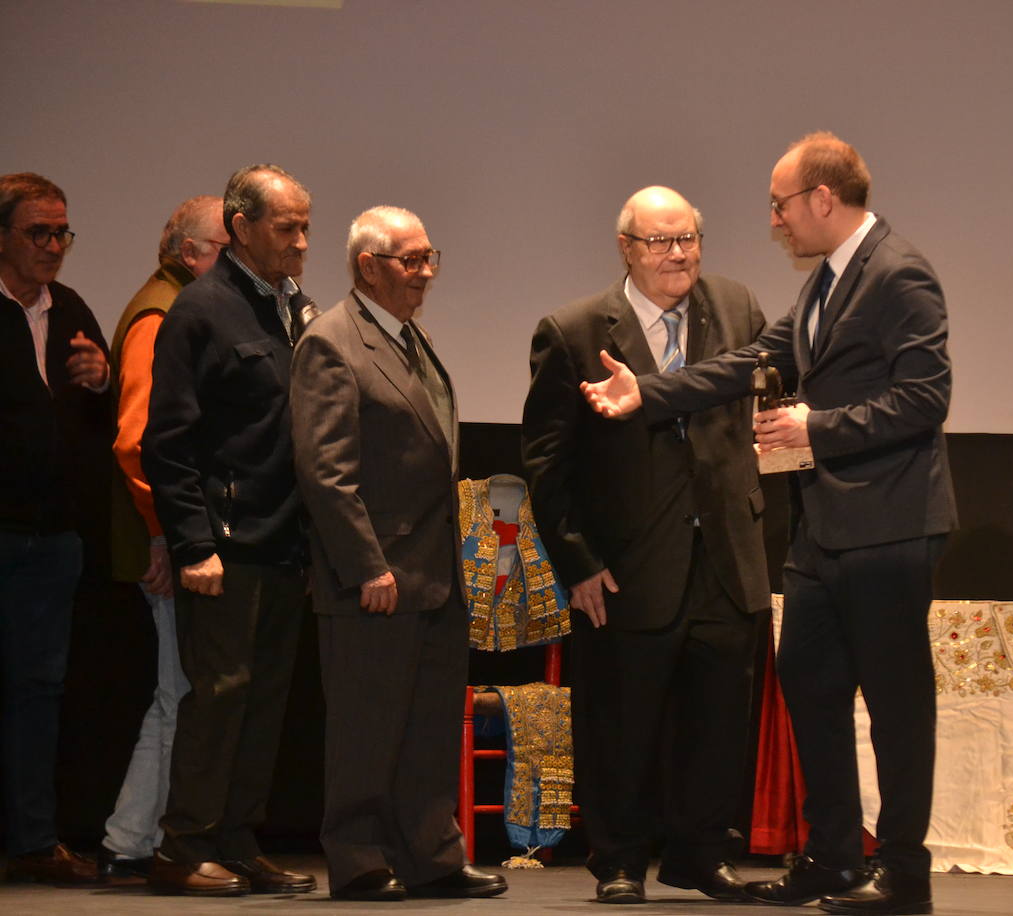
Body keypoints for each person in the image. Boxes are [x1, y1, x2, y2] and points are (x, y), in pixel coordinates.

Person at [582, 134, 956, 916]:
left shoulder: (898, 272)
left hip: (888, 528)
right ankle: (833, 859)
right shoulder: (828, 281)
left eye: (780, 205)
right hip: (823, 535)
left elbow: (925, 398)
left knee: (895, 702)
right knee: (812, 689)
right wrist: (648, 393)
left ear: (823, 198)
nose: (774, 221)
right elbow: (749, 361)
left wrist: (819, 429)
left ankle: (906, 873)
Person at [523, 186, 770, 904]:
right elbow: (547, 463)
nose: (679, 254)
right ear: (627, 248)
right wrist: (577, 562)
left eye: (689, 238)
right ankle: (621, 858)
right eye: (661, 241)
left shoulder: (737, 307)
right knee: (619, 724)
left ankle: (700, 853)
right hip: (624, 569)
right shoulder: (571, 331)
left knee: (718, 722)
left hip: (725, 555)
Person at [290, 206, 507, 902]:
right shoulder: (331, 343)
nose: (425, 274)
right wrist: (366, 566)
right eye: (411, 261)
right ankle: (358, 860)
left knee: (427, 727)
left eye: (428, 258)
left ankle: (431, 856)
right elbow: (326, 472)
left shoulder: (409, 338)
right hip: (375, 578)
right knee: (366, 729)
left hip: (432, 574)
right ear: (368, 266)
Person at [142, 164, 317, 896]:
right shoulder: (201, 311)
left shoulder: (295, 310)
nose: (302, 243)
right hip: (226, 543)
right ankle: (181, 848)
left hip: (285, 541)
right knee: (219, 695)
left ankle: (240, 842)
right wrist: (193, 544)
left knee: (265, 696)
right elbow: (167, 443)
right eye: (288, 228)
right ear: (241, 228)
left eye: (307, 227)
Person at [99, 195, 229, 882]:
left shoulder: (173, 304)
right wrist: (166, 536)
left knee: (176, 689)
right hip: (168, 540)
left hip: (168, 535)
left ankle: (132, 838)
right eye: (222, 247)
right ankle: (140, 842)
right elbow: (137, 441)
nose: (234, 260)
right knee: (180, 692)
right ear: (189, 253)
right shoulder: (163, 314)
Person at [0, 172, 110, 885]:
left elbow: (101, 420)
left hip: (54, 539)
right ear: (2, 236)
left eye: (62, 232)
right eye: (39, 232)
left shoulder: (70, 308)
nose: (53, 246)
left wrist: (105, 377)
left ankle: (34, 839)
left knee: (39, 691)